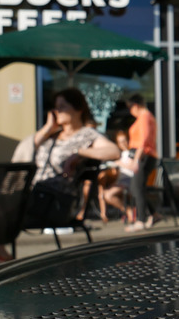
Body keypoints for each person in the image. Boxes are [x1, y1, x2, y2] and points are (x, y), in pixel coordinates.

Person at [17, 88, 120, 227]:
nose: (57, 111)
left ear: (78, 109)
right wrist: (47, 129)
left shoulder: (86, 134)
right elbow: (22, 153)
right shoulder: (50, 136)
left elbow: (113, 151)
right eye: (56, 107)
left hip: (54, 202)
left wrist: (79, 152)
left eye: (62, 106)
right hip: (32, 195)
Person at [125, 94, 158, 232]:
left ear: (135, 106)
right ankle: (154, 214)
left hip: (144, 156)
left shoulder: (144, 117)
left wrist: (136, 159)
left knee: (136, 187)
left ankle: (141, 220)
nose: (130, 111)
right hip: (146, 155)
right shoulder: (147, 116)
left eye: (130, 108)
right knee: (138, 188)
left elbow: (143, 141)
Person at [100, 130, 136, 224]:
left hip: (130, 179)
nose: (123, 144)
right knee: (103, 193)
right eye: (120, 142)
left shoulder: (133, 152)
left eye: (124, 140)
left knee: (108, 195)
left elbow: (132, 167)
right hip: (121, 180)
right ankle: (106, 214)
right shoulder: (120, 154)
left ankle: (128, 211)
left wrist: (119, 163)